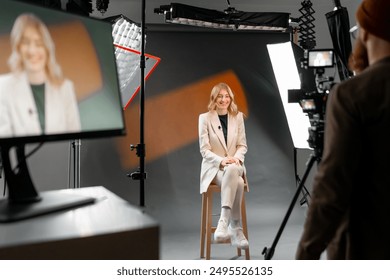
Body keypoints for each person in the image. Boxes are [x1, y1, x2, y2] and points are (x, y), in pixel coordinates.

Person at [296, 0, 390, 259]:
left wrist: (306, 253)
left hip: (365, 246)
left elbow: (332, 187)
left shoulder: (352, 96)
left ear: (367, 31)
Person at [0, 13, 81, 138]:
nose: (32, 51)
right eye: (25, 43)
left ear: (47, 49)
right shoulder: (3, 87)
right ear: (17, 47)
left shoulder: (65, 88)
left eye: (39, 43)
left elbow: (76, 140)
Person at [198, 82, 249, 249]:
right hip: (215, 169)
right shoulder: (204, 118)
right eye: (220, 96)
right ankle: (235, 228)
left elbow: (243, 145)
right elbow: (204, 150)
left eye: (226, 96)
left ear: (231, 98)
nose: (224, 99)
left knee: (234, 169)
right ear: (214, 98)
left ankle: (223, 222)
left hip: (234, 165)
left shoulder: (238, 117)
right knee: (239, 182)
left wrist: (235, 158)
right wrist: (221, 161)